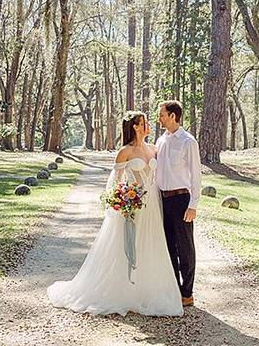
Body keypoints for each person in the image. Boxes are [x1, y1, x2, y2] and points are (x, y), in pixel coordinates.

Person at [47, 111, 183, 317]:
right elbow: (115, 182)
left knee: (150, 244)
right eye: (144, 123)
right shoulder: (125, 152)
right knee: (127, 246)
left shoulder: (154, 148)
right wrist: (122, 200)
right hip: (132, 205)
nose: (148, 126)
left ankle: (146, 291)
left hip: (152, 204)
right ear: (136, 127)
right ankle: (122, 290)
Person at [155, 100, 202, 308]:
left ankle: (187, 292)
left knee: (185, 247)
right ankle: (174, 288)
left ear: (173, 116)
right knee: (168, 246)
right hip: (162, 200)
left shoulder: (188, 141)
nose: (160, 118)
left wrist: (193, 205)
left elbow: (196, 176)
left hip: (181, 200)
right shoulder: (160, 141)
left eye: (162, 114)